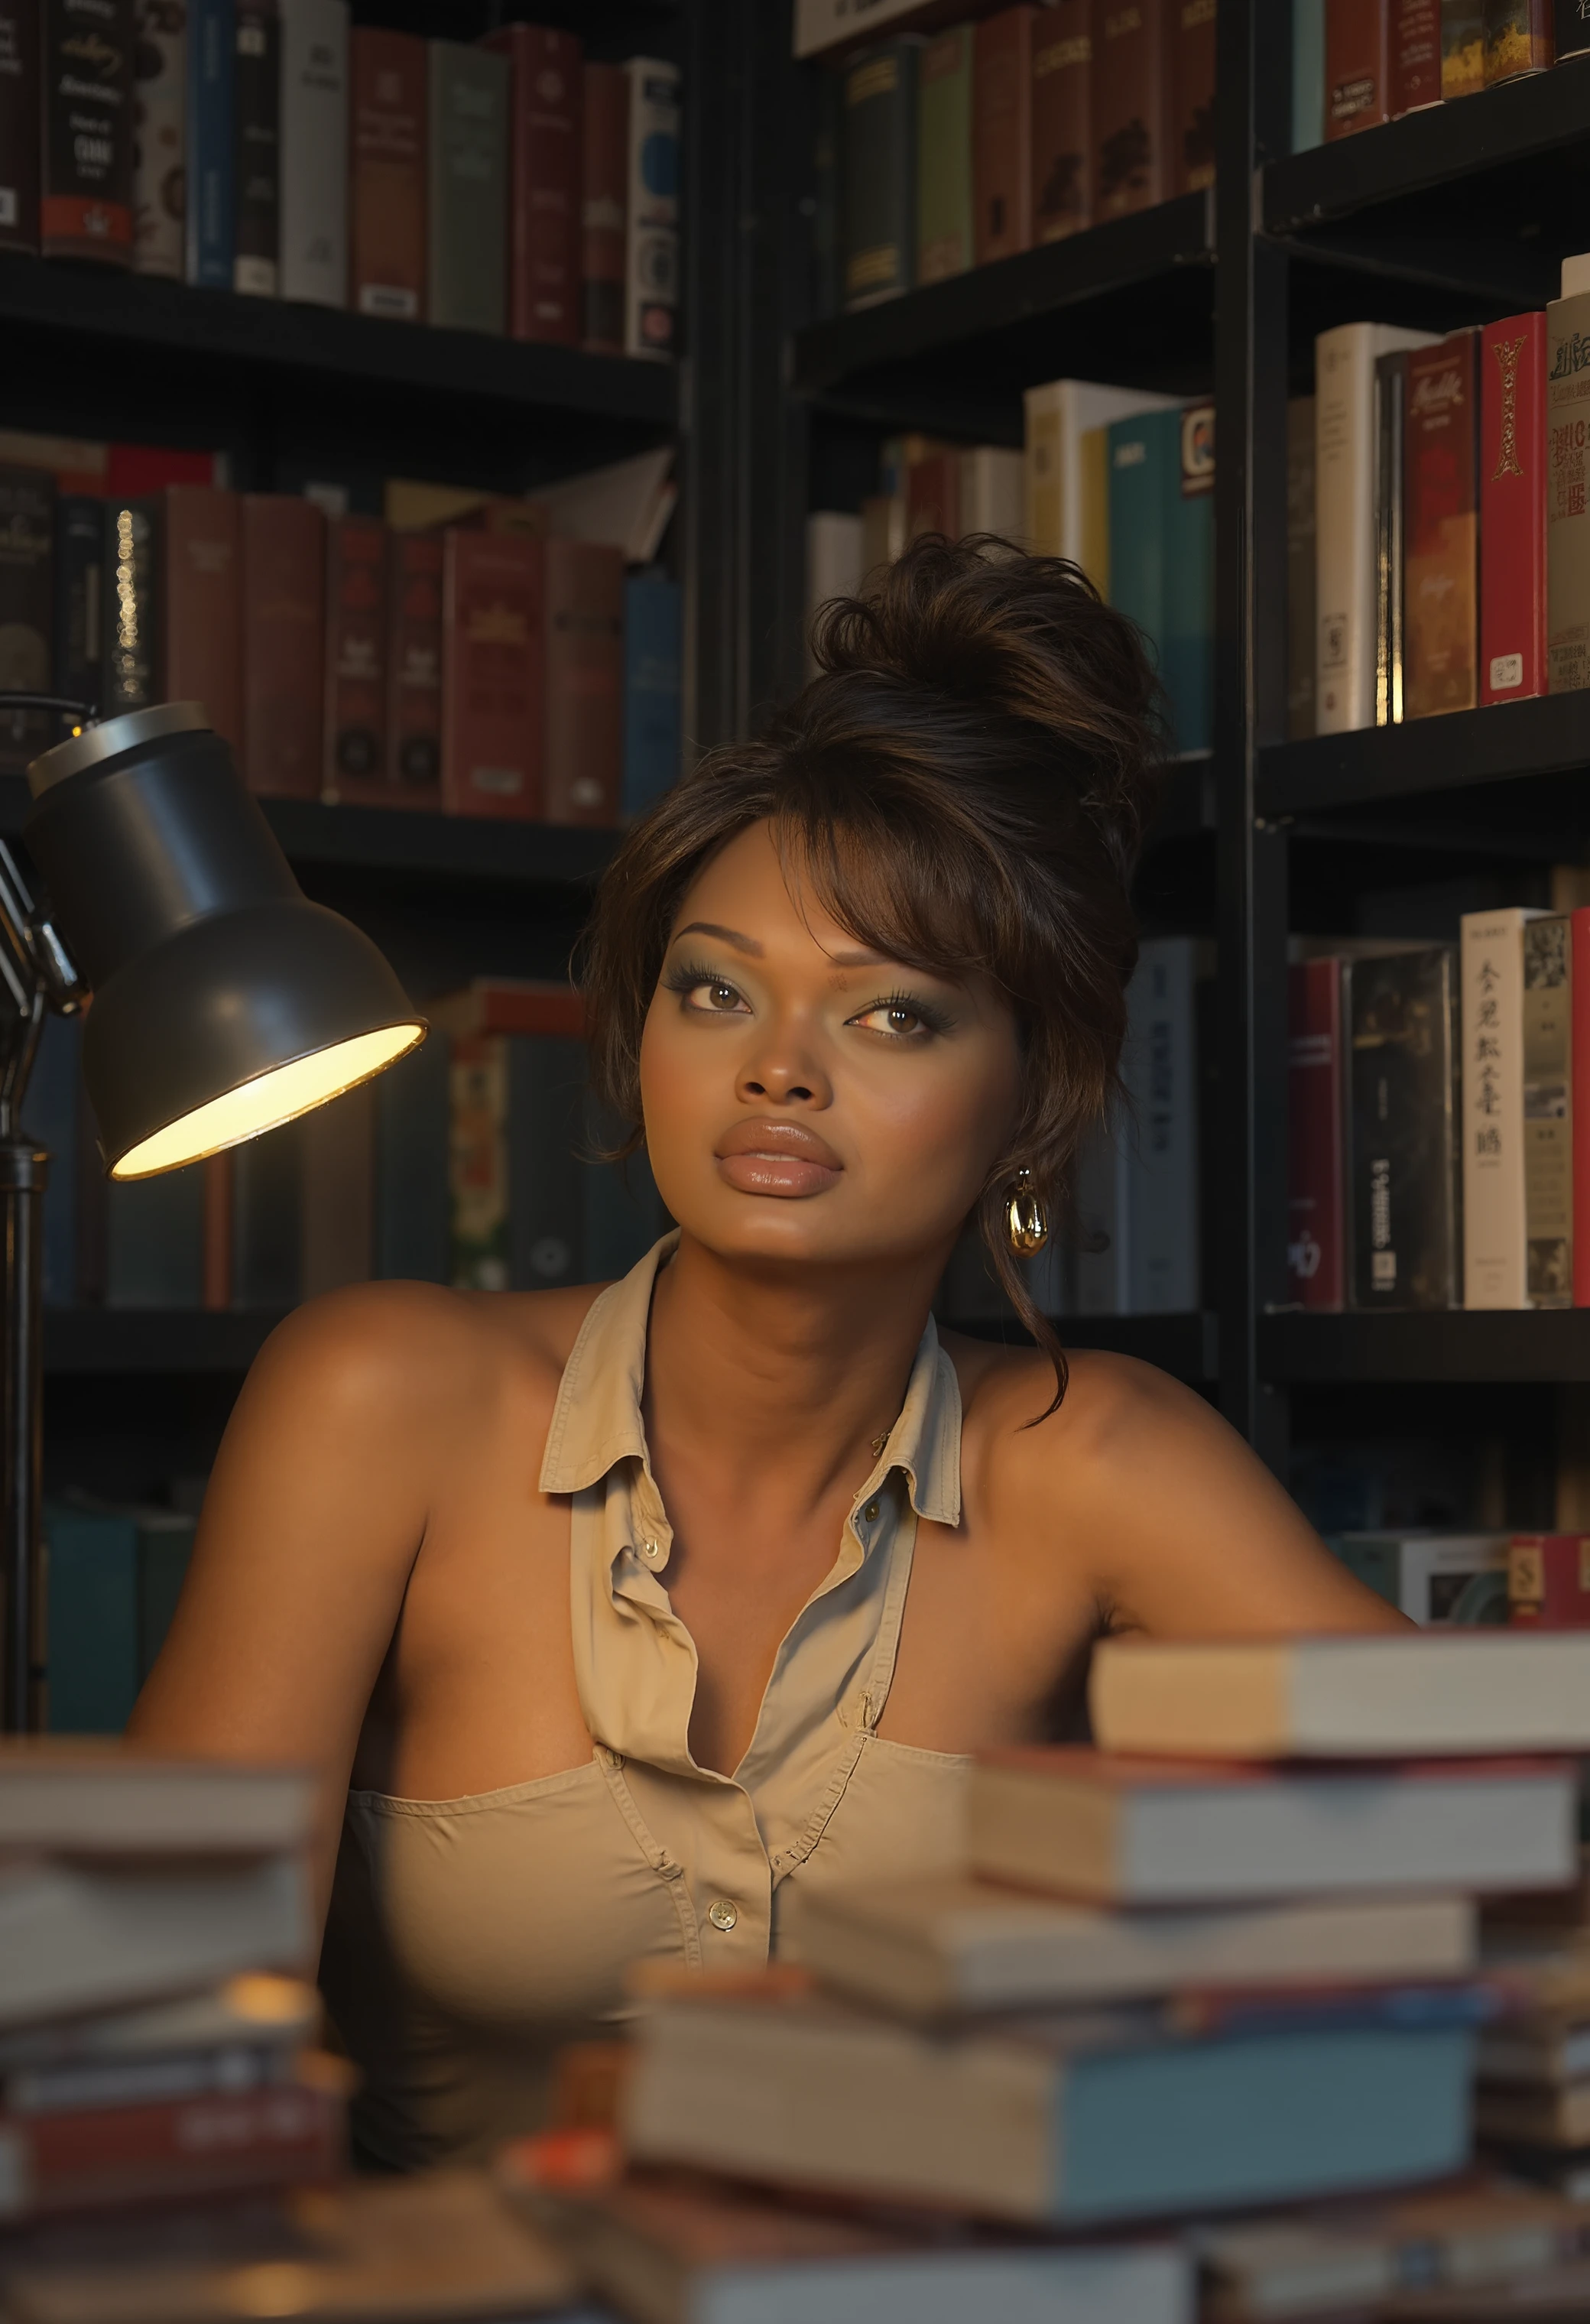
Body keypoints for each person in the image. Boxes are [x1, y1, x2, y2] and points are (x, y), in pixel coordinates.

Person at [129, 537, 1400, 2168]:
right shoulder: (383, 1399)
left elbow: (1487, 1845)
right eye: (716, 991)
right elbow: (153, 2038)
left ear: (1027, 1097)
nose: (779, 1070)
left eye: (888, 1015)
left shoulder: (1095, 1459)